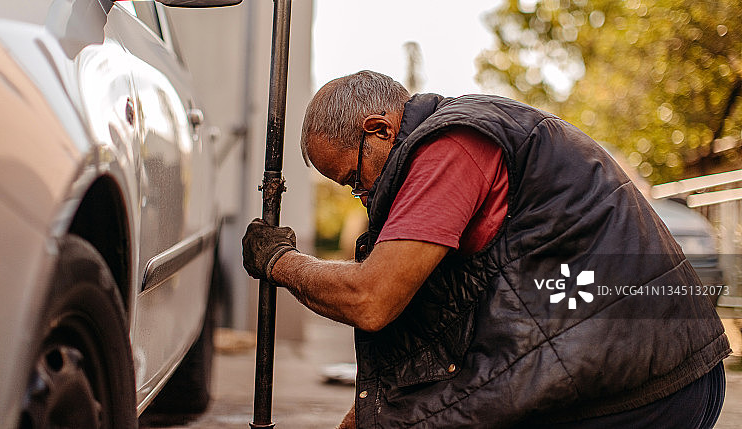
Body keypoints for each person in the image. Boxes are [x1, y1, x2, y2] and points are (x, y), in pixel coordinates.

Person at [242, 70, 729, 428]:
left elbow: (372, 299)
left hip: (646, 389)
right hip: (623, 373)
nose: (363, 196)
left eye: (354, 178)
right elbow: (424, 332)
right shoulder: (444, 154)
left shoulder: (450, 147)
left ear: (381, 129)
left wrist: (280, 263)